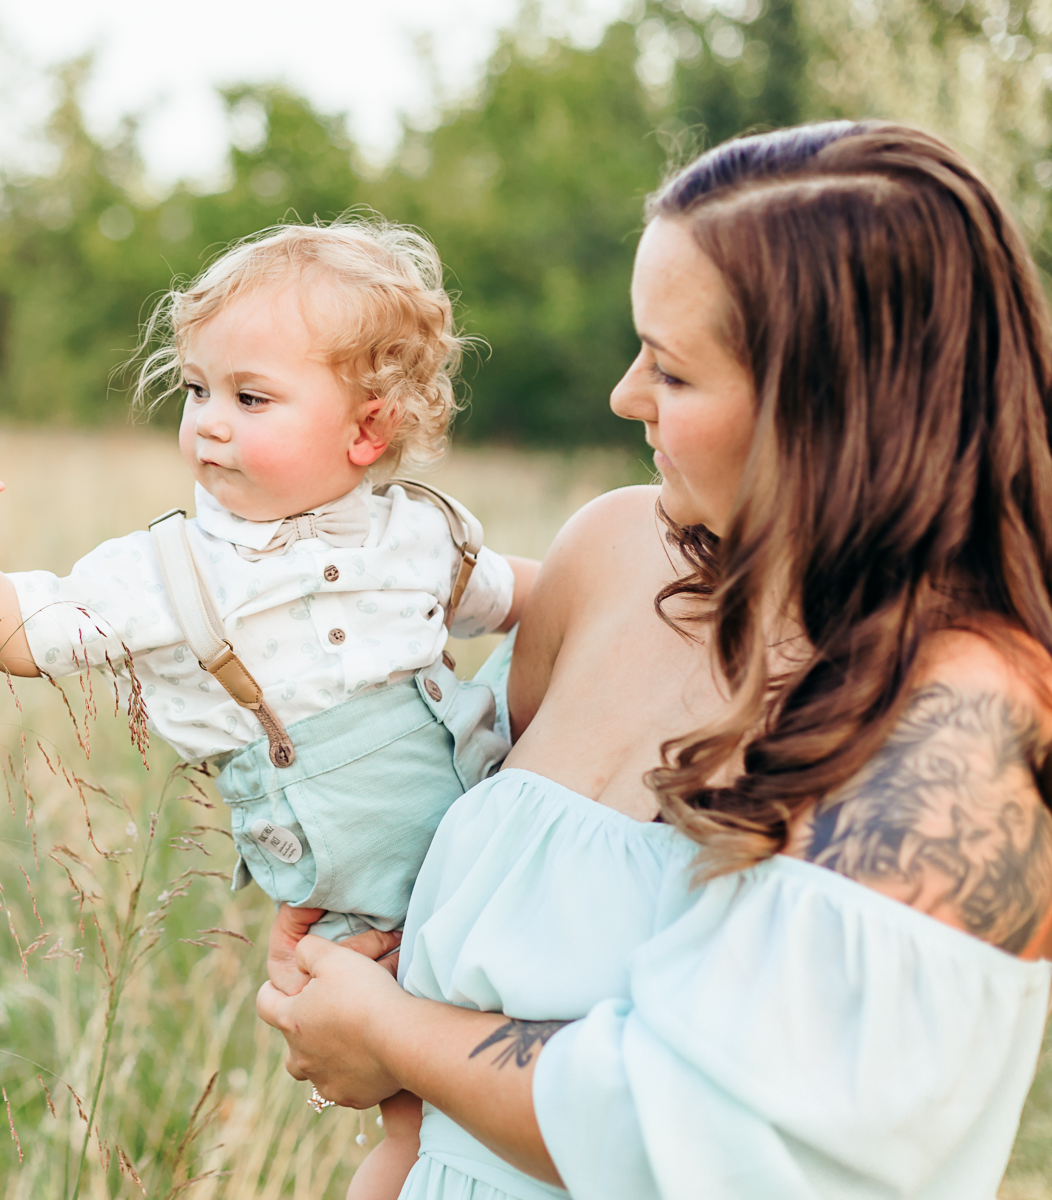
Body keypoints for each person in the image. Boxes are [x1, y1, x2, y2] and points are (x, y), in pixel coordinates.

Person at [257, 120, 1052, 1199]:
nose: (628, 395)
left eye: (672, 371)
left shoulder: (961, 727)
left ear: (828, 411)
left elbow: (697, 1130)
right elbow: (472, 911)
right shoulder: (613, 553)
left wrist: (393, 1034)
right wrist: (353, 963)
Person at [0, 220, 538, 1196]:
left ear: (367, 428)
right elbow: (22, 636)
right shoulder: (167, 573)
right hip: (367, 912)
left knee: (525, 1104)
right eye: (197, 390)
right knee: (422, 1134)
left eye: (251, 396)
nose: (209, 421)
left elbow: (528, 596)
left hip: (489, 850)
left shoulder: (416, 535)